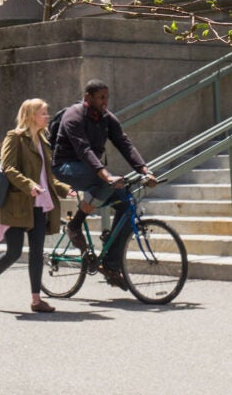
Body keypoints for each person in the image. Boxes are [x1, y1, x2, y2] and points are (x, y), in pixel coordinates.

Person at [52, 79, 157, 289]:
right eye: (101, 97)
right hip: (66, 167)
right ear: (88, 97)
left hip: (91, 168)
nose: (105, 101)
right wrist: (106, 175)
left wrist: (145, 171)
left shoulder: (107, 118)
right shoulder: (73, 116)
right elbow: (84, 150)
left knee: (127, 206)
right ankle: (75, 225)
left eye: (106, 97)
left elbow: (125, 144)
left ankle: (110, 264)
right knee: (106, 182)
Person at [0, 98, 72, 313]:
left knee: (37, 252)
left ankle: (36, 300)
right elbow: (9, 168)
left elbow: (47, 176)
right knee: (13, 252)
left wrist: (65, 188)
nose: (47, 117)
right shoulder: (15, 137)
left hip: (39, 204)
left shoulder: (44, 141)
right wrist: (29, 185)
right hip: (17, 204)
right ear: (31, 116)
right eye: (43, 113)